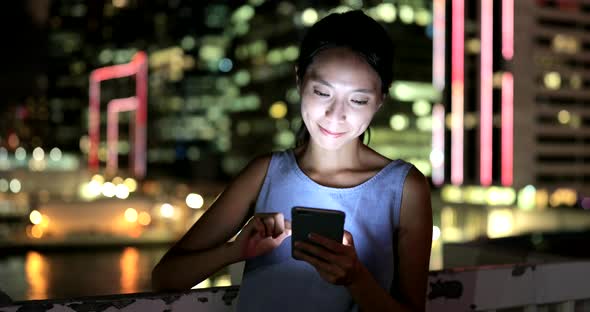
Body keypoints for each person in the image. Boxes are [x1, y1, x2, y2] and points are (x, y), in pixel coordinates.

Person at [152, 9, 432, 312]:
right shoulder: (264, 173)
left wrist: (356, 278)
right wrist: (235, 251)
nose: (336, 115)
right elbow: (166, 277)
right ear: (299, 79)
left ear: (380, 100)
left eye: (358, 100)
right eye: (323, 92)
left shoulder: (405, 188)